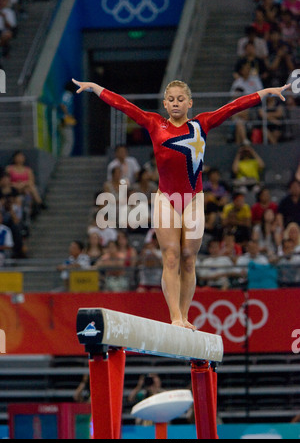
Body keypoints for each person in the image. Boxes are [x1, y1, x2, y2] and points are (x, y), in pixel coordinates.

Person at [72, 77, 290, 329]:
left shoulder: (201, 124)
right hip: (166, 198)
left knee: (188, 257)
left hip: (194, 200)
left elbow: (233, 107)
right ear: (165, 104)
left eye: (181, 99)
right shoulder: (155, 123)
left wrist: (265, 92)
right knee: (172, 257)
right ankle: (175, 316)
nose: (176, 103)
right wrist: (96, 88)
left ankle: (185, 316)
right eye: (171, 100)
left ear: (190, 102)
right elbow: (124, 106)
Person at [59, 81, 77, 157]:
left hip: (62, 119)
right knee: (69, 140)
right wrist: (67, 115)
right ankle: (65, 157)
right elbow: (62, 105)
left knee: (65, 140)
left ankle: (64, 156)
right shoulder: (68, 95)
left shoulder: (65, 94)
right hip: (65, 120)